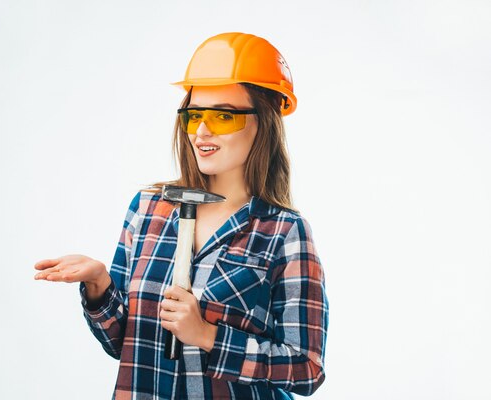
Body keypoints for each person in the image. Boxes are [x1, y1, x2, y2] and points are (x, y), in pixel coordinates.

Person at [34, 32, 329, 400]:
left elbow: (307, 370)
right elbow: (122, 344)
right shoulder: (148, 209)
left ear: (264, 121)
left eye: (223, 115)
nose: (202, 130)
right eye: (194, 115)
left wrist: (208, 337)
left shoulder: (285, 232)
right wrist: (99, 287)